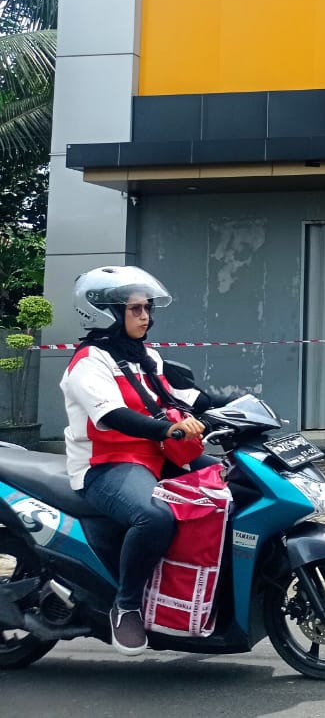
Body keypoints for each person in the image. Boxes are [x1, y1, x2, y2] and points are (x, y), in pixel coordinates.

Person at [61, 265, 220, 656]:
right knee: (154, 515)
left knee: (229, 483)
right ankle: (127, 604)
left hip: (157, 456)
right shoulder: (88, 362)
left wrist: (242, 410)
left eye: (148, 308)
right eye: (135, 309)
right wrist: (168, 431)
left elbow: (183, 398)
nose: (146, 316)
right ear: (106, 312)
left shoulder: (145, 356)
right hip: (107, 465)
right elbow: (112, 415)